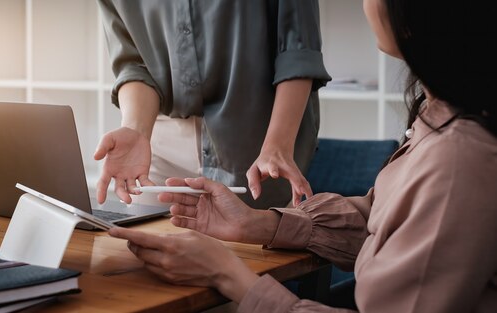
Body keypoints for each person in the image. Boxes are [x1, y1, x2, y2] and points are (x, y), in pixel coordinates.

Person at [107, 0, 497, 311]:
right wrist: (257, 225)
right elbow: (383, 223)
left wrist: (227, 274)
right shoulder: (441, 120)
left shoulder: (456, 161)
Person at [94, 0, 331, 209]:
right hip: (158, 148)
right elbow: (135, 64)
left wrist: (278, 145)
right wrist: (135, 131)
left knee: (250, 257)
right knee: (142, 252)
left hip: (258, 149)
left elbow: (298, 52)